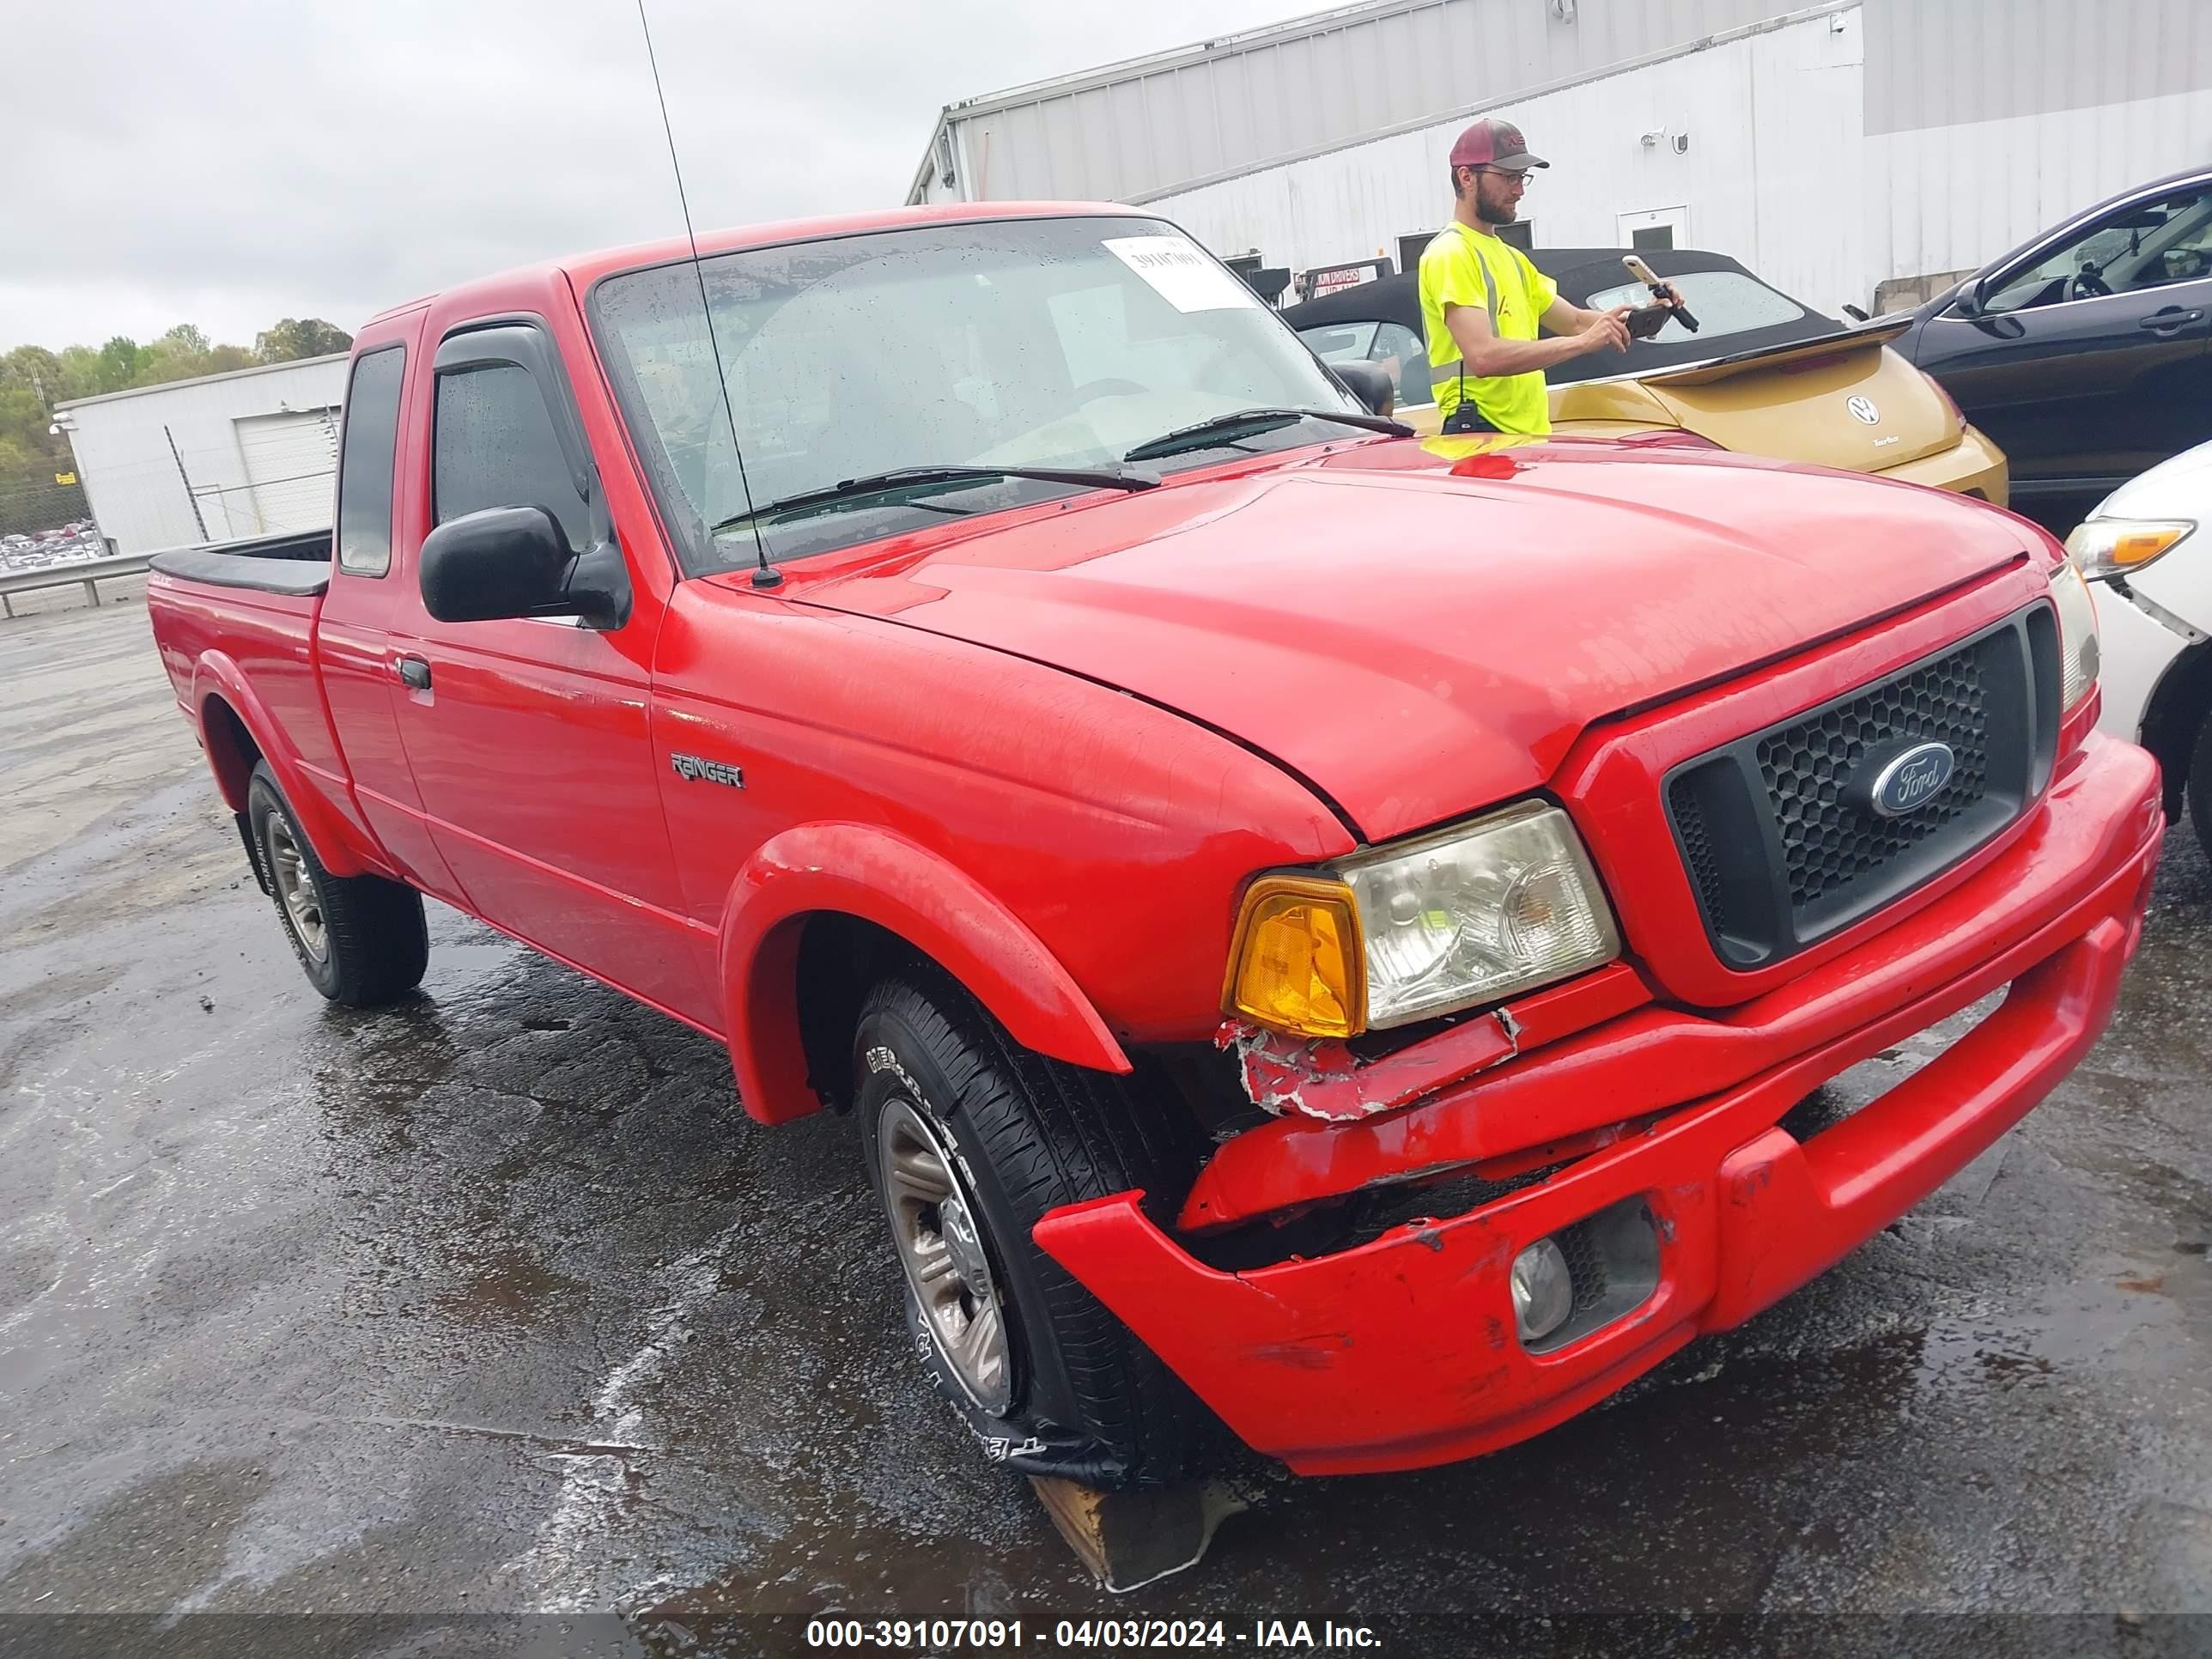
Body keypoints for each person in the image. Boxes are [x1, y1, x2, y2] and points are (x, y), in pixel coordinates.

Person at [1418, 118, 1669, 436]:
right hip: (1481, 436)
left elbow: (1577, 322)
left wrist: (1652, 313)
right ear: (1466, 177)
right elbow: (1482, 356)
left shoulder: (1512, 258)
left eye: (1522, 177)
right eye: (1509, 177)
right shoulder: (1452, 253)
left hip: (1523, 435)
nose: (1519, 190)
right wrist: (1580, 344)